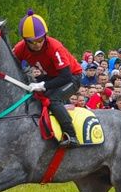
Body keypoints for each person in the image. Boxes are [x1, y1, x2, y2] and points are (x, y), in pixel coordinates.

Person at [12, 9, 84, 147]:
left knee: (53, 99)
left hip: (71, 77)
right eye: (32, 42)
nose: (37, 44)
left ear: (45, 35)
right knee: (33, 98)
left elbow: (66, 76)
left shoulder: (54, 47)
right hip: (51, 77)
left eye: (40, 40)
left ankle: (72, 135)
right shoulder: (20, 48)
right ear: (25, 40)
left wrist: (42, 85)